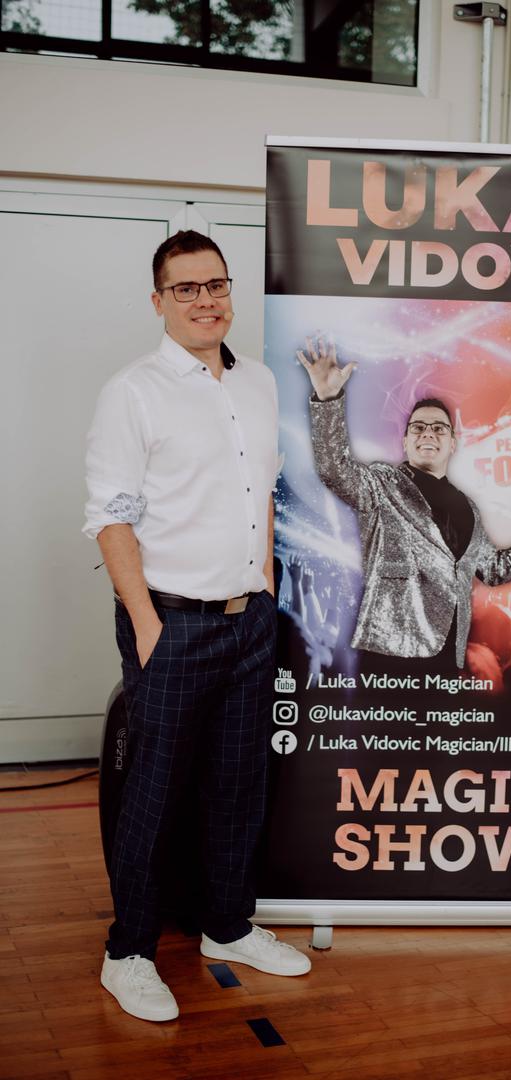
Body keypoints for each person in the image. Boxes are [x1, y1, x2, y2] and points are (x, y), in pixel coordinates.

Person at [84, 230, 310, 1024]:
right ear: (159, 301)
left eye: (216, 284)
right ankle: (129, 952)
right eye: (186, 288)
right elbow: (111, 517)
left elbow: (262, 496)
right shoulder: (134, 391)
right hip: (172, 625)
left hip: (249, 621)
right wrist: (146, 625)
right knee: (154, 793)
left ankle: (228, 926)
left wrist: (266, 590)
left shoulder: (257, 383)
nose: (205, 299)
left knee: (239, 783)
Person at [296, 336, 511, 675]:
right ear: (405, 442)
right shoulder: (382, 484)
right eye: (418, 428)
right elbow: (335, 471)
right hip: (390, 653)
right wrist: (328, 398)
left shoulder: (469, 508)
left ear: (452, 443)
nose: (427, 434)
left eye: (438, 429)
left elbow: (494, 570)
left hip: (448, 657)